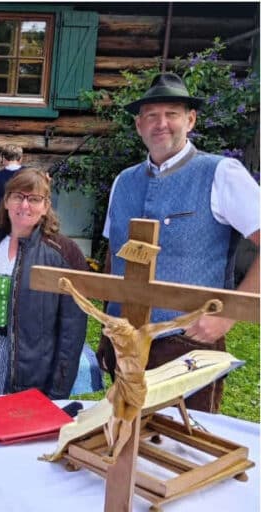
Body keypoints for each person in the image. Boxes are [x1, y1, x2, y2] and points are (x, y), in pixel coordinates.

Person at [99, 72, 260, 412]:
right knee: (125, 433)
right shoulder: (123, 182)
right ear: (139, 125)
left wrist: (228, 314)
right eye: (151, 116)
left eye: (171, 114)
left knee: (183, 440)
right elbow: (115, 258)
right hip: (125, 343)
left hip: (187, 344)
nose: (161, 124)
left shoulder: (221, 173)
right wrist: (106, 328)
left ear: (191, 120)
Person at [60, 277, 221, 461]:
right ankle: (112, 448)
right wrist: (71, 289)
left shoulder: (144, 334)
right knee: (114, 418)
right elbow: (90, 309)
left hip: (136, 387)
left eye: (117, 338)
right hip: (121, 383)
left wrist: (203, 310)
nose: (116, 341)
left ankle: (116, 451)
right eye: (113, 338)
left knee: (127, 421)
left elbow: (177, 323)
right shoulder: (114, 327)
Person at [0, 170, 87, 400]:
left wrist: (59, 388)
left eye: (34, 199)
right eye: (18, 196)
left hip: (33, 367)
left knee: (17, 419)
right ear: (6, 201)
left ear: (46, 206)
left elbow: (73, 328)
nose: (25, 205)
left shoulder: (64, 253)